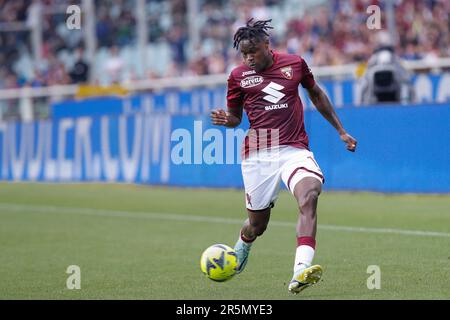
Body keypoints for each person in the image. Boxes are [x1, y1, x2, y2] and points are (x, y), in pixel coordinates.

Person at [210, 19, 357, 294]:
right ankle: (244, 243)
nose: (248, 57)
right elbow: (235, 118)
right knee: (257, 224)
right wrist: (225, 120)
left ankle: (300, 270)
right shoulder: (238, 76)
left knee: (309, 194)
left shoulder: (295, 64)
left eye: (253, 50)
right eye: (244, 53)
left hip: (294, 149)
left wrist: (341, 130)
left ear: (267, 45)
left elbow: (316, 94)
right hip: (258, 155)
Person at [359, 31, 414, 105]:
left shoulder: (394, 57)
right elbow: (366, 75)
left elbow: (404, 77)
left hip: (394, 92)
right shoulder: (375, 58)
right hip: (376, 93)